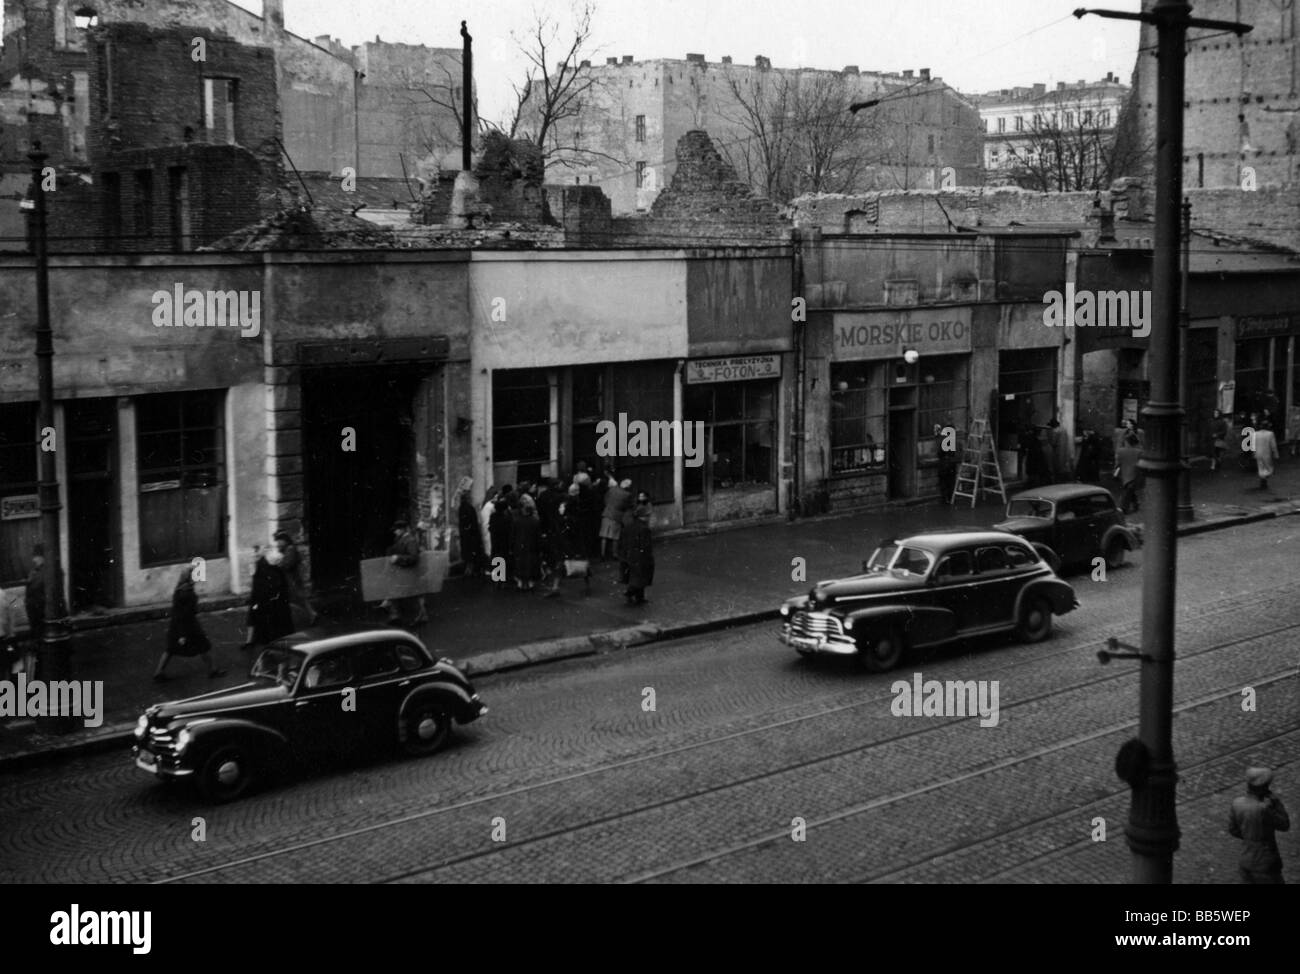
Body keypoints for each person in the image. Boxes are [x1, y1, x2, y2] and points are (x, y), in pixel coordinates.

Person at [154, 568, 225, 681]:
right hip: (188, 626)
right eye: (193, 575)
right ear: (189, 578)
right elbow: (184, 614)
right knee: (203, 646)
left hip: (177, 625)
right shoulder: (186, 593)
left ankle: (158, 672)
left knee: (171, 649)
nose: (195, 577)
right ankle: (212, 670)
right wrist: (182, 634)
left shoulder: (180, 589)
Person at [1228, 767, 1290, 884]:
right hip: (1265, 865)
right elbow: (1285, 825)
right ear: (1264, 788)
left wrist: (1250, 837)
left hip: (1245, 861)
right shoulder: (1263, 808)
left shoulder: (1237, 803)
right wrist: (1276, 803)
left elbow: (1233, 830)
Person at [245, 544, 293, 648]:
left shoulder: (268, 565)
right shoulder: (259, 564)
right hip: (260, 595)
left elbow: (276, 581)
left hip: (268, 596)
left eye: (256, 553)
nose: (254, 555)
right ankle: (252, 641)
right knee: (256, 617)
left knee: (271, 619)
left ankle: (270, 641)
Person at [274, 529, 316, 626]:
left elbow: (287, 564)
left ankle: (311, 614)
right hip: (291, 580)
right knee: (298, 600)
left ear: (285, 540)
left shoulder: (290, 549)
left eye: (279, 541)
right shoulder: (287, 549)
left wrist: (279, 564)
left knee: (299, 599)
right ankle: (309, 615)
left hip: (293, 580)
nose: (278, 544)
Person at [386, 518, 423, 624]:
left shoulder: (410, 540)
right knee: (398, 593)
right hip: (402, 572)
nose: (395, 531)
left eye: (397, 529)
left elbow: (414, 557)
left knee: (411, 597)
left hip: (409, 572)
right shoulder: (399, 539)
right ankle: (396, 614)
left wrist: (398, 558)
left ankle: (417, 617)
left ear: (403, 530)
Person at [620, 499, 655, 606]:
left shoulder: (629, 527)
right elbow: (646, 545)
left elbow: (623, 541)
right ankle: (633, 594)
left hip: (629, 555)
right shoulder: (644, 529)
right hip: (641, 556)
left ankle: (637, 596)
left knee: (635, 576)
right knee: (641, 577)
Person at [510, 494, 542, 591]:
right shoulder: (535, 521)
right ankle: (530, 583)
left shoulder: (516, 521)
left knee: (520, 564)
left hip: (519, 545)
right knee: (531, 564)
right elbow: (538, 536)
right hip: (531, 546)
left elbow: (512, 535)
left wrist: (511, 546)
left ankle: (520, 582)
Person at [456, 478, 485, 576]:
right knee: (472, 552)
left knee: (467, 553)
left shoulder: (461, 508)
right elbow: (473, 522)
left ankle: (468, 570)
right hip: (471, 535)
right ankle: (471, 570)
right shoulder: (469, 508)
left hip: (465, 534)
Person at [600, 477, 633, 559]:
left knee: (604, 535)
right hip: (616, 516)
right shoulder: (627, 495)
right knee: (615, 536)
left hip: (607, 513)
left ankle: (602, 554)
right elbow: (627, 506)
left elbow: (605, 499)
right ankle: (614, 554)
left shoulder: (612, 490)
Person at [1114, 433, 1144, 514]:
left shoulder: (1120, 451)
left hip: (1124, 475)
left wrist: (1115, 472)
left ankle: (1122, 508)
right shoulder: (1140, 452)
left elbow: (1118, 464)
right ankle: (1134, 505)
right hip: (1135, 475)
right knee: (1129, 490)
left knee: (1127, 491)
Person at [1252, 419, 1280, 492]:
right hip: (1266, 454)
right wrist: (1276, 454)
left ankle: (1263, 480)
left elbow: (1253, 445)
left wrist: (1254, 453)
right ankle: (1264, 479)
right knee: (1269, 468)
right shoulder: (1270, 434)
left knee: (1260, 467)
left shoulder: (1255, 433)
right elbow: (1273, 445)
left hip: (1258, 453)